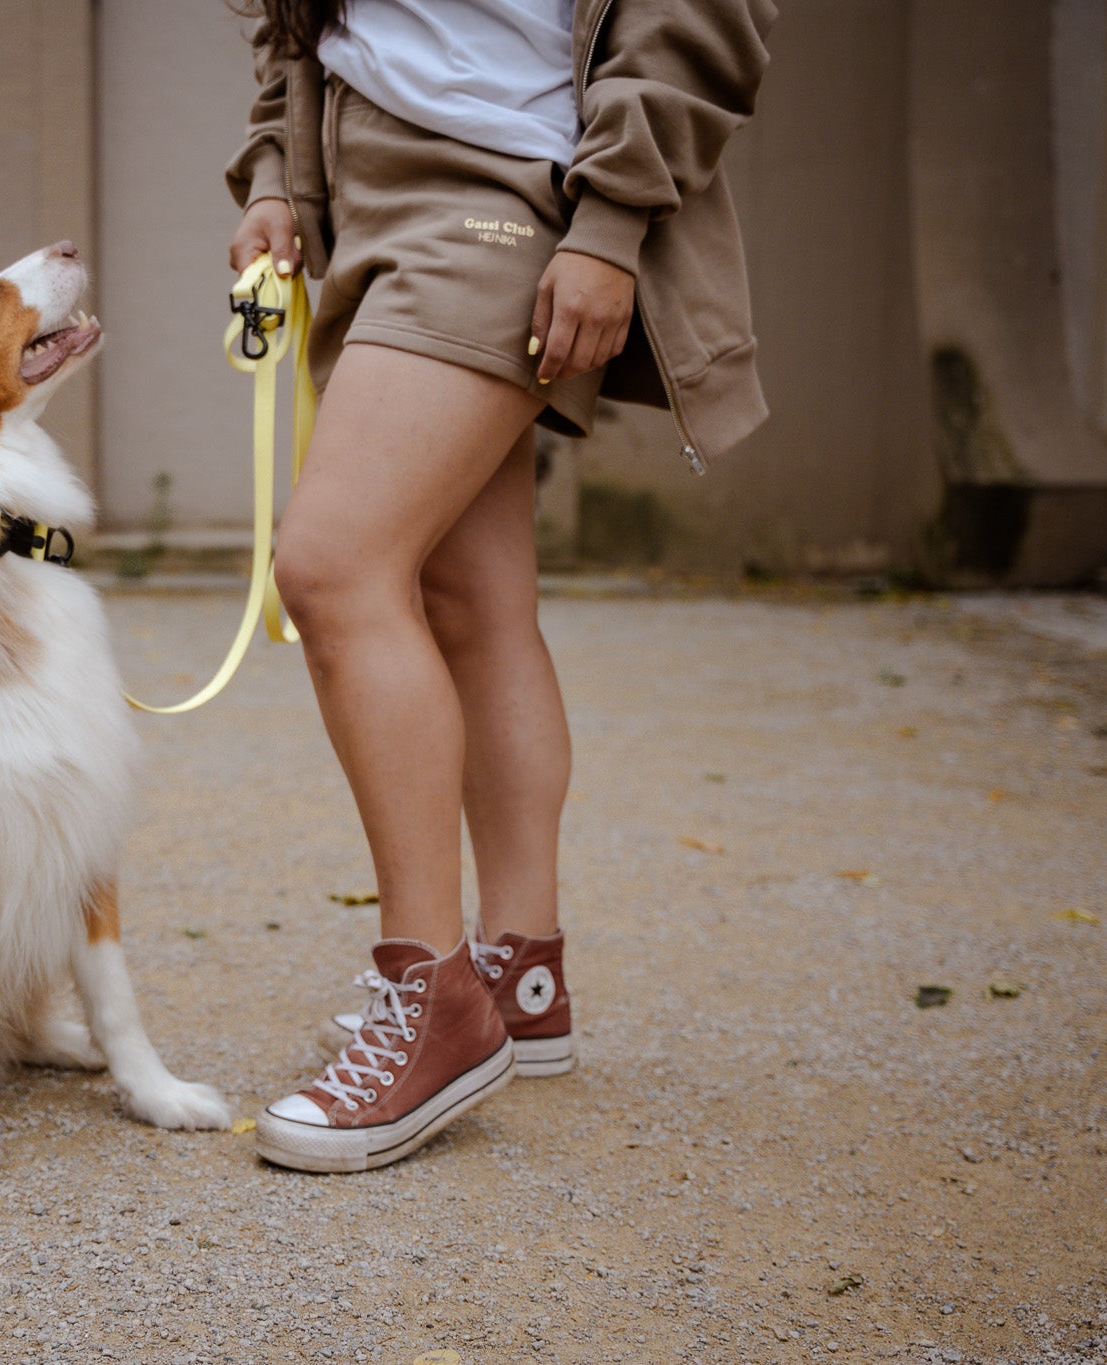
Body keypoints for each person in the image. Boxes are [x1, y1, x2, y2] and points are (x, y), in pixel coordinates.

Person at [227, 0, 775, 1172]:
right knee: (471, 601)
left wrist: (611, 223)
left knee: (332, 567)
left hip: (504, 187)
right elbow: (298, 26)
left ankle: (432, 1004)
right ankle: (519, 974)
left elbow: (697, 17)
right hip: (369, 190)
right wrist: (279, 168)